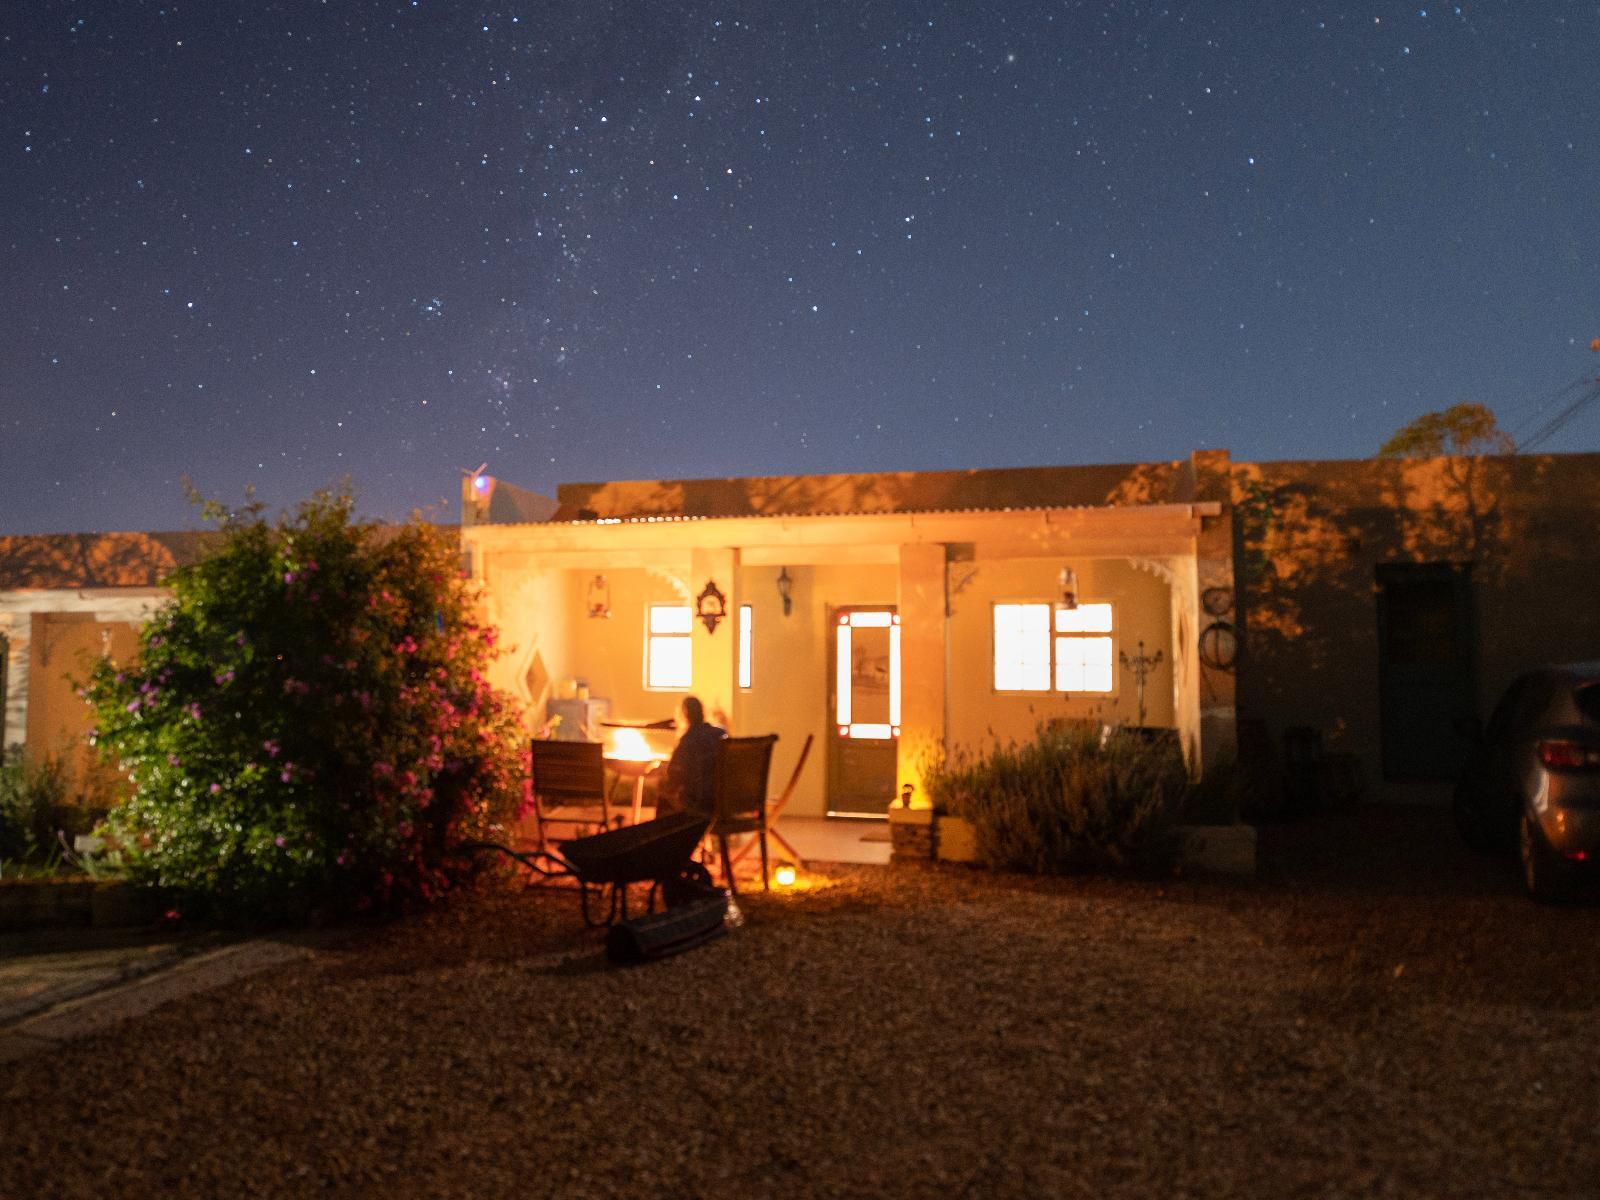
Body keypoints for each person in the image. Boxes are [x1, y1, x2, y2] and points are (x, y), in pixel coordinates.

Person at [656, 695, 726, 818]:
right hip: (725, 801)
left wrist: (661, 773)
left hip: (701, 804)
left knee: (664, 796)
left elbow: (674, 777)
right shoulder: (720, 734)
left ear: (684, 715)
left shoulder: (688, 740)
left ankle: (667, 835)